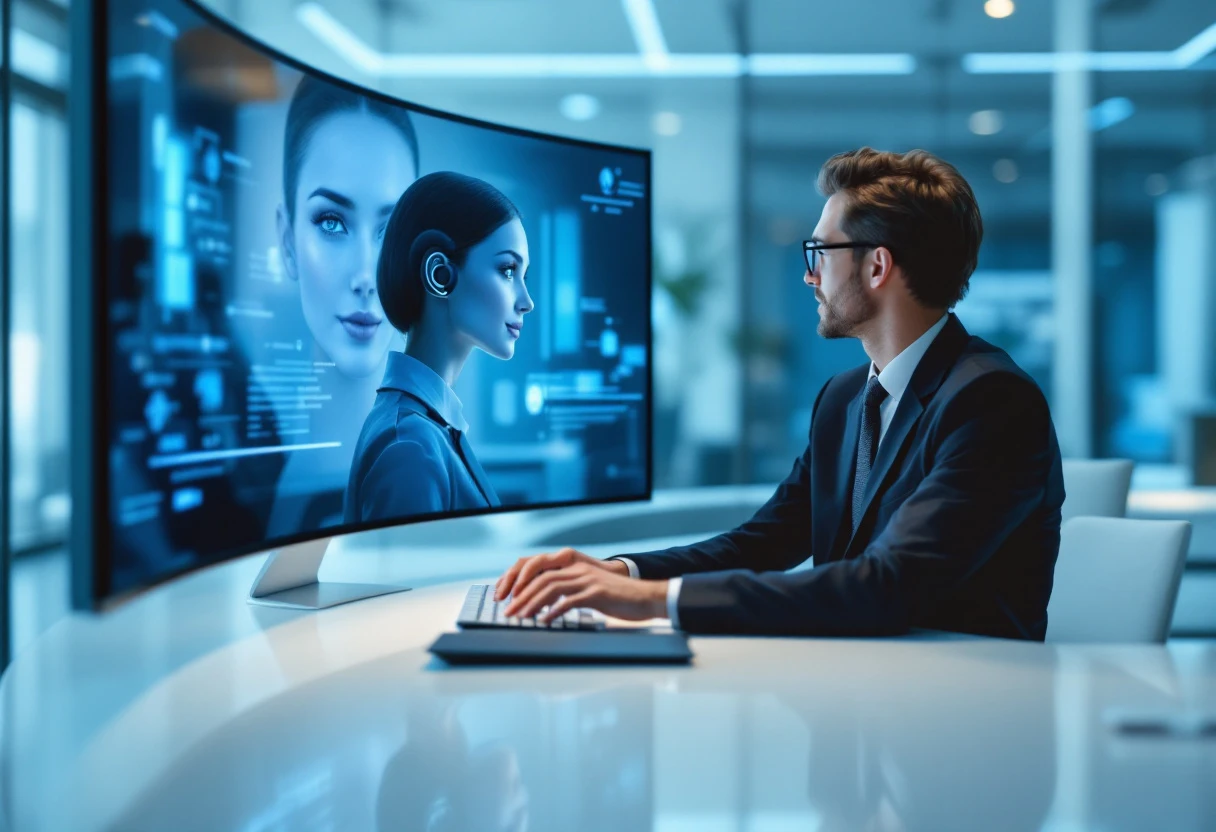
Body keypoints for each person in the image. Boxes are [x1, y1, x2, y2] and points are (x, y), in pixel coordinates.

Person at [495, 147, 1065, 640]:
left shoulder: (992, 402)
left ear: (877, 267)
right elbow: (764, 542)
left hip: (963, 703)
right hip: (861, 686)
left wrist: (653, 603)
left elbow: (889, 585)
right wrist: (623, 573)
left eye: (820, 253)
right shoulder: (844, 399)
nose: (809, 276)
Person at [266, 75, 420, 535]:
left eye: (391, 230)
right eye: (332, 222)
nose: (366, 277)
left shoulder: (427, 469)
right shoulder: (280, 504)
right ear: (288, 241)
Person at [344, 172, 534, 522]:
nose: (527, 302)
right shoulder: (410, 446)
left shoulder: (428, 429)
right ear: (439, 274)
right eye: (508, 270)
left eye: (523, 276)